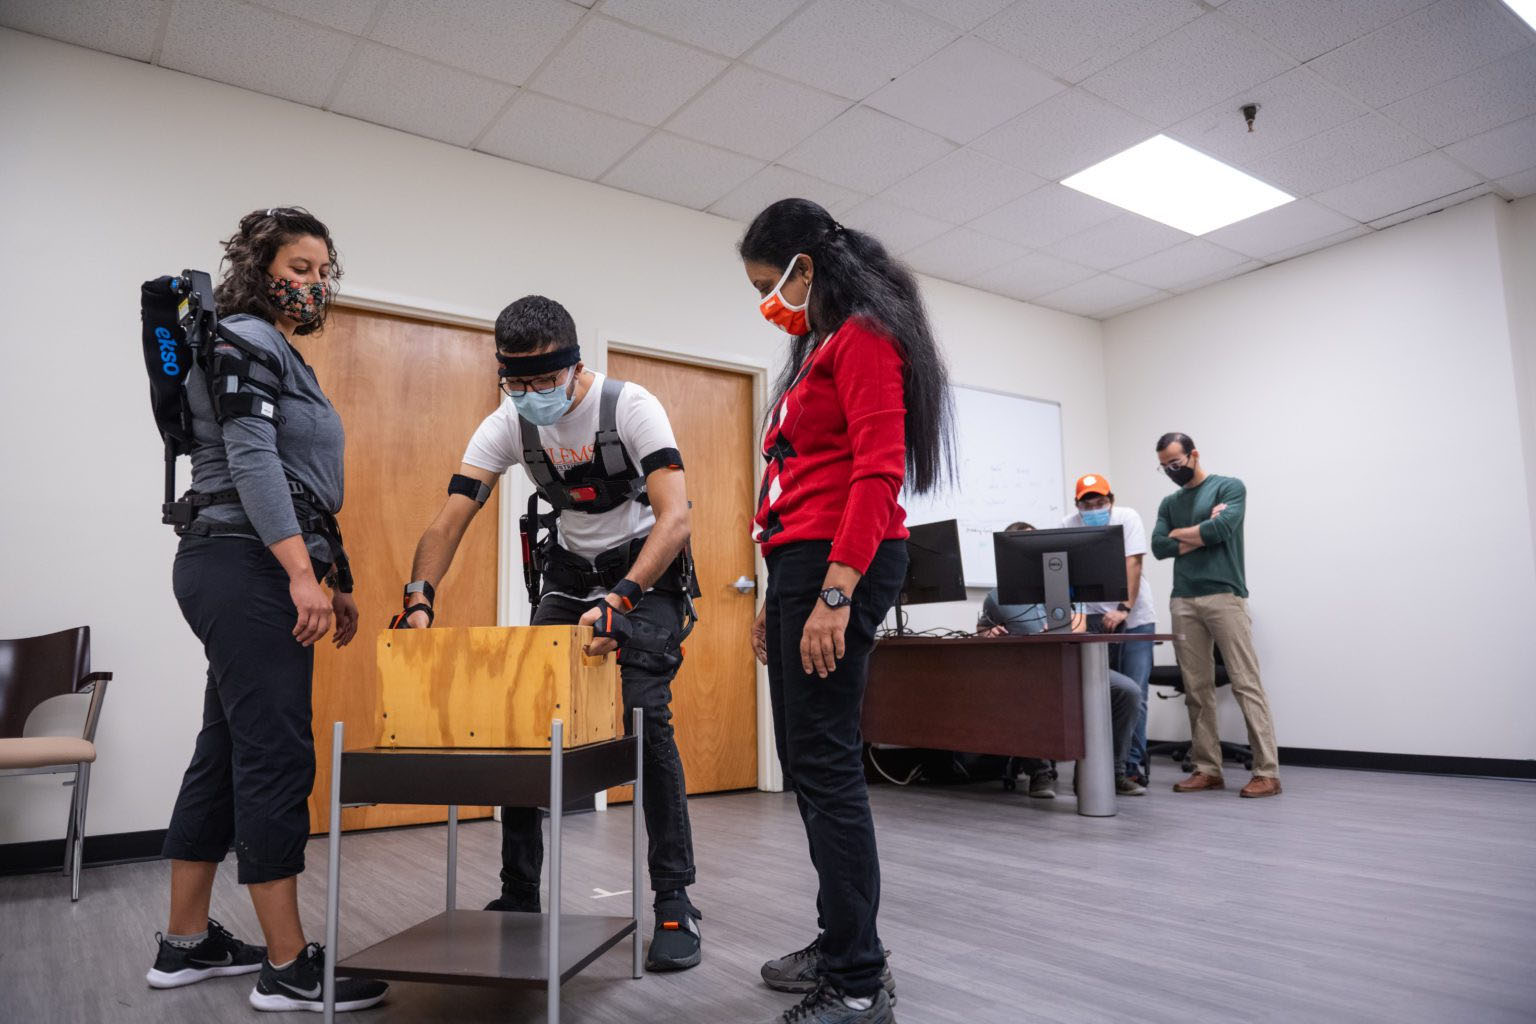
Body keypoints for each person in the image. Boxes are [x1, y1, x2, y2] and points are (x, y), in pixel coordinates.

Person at [394, 295, 704, 971]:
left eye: (542, 379)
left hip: (643, 573)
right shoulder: (506, 423)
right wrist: (420, 598)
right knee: (525, 724)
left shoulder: (631, 406)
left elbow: (675, 517)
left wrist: (622, 599)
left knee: (646, 721)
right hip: (567, 573)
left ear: (574, 364)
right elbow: (449, 519)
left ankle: (676, 901)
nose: (530, 394)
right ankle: (517, 895)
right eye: (516, 381)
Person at [149, 208, 387, 1013]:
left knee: (225, 750)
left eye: (324, 270)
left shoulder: (267, 346)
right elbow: (252, 460)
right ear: (261, 268)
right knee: (275, 755)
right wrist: (299, 575)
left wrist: (336, 571)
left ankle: (185, 943)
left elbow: (304, 483)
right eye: (300, 265)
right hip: (244, 565)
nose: (314, 282)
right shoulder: (247, 335)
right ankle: (288, 966)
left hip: (239, 562)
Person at [742, 197, 954, 1024]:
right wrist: (775, 593)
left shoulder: (864, 338)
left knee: (828, 769)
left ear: (807, 267)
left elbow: (876, 472)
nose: (767, 301)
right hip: (802, 563)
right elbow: (792, 485)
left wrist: (834, 590)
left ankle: (860, 980)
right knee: (809, 765)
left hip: (842, 561)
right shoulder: (820, 347)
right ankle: (840, 943)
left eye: (770, 283)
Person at [1151, 432, 1281, 798]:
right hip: (1184, 600)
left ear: (1193, 455)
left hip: (1225, 595)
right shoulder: (1169, 502)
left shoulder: (1228, 488)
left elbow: (1223, 528)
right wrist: (1200, 533)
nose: (1171, 471)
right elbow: (1159, 546)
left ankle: (1267, 771)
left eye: (1175, 464)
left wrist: (1188, 534)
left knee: (1245, 683)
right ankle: (1207, 768)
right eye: (1164, 467)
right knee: (1196, 688)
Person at [978, 522, 1146, 798]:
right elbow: (983, 629)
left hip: (1073, 668)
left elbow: (1079, 625)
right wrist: (988, 632)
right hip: (1030, 673)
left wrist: (1060, 629)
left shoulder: (1065, 587)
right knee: (1024, 691)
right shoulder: (996, 597)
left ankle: (1113, 772)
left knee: (1127, 691)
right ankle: (1040, 773)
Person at [1061, 474, 1157, 786]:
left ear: (1111, 501)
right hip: (1090, 620)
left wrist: (1123, 608)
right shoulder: (1068, 525)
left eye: (1101, 502)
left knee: (1135, 692)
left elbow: (1134, 563)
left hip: (1135, 616)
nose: (1095, 508)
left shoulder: (1126, 518)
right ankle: (1100, 766)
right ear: (1078, 505)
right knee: (1096, 693)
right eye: (1088, 503)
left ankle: (1130, 766)